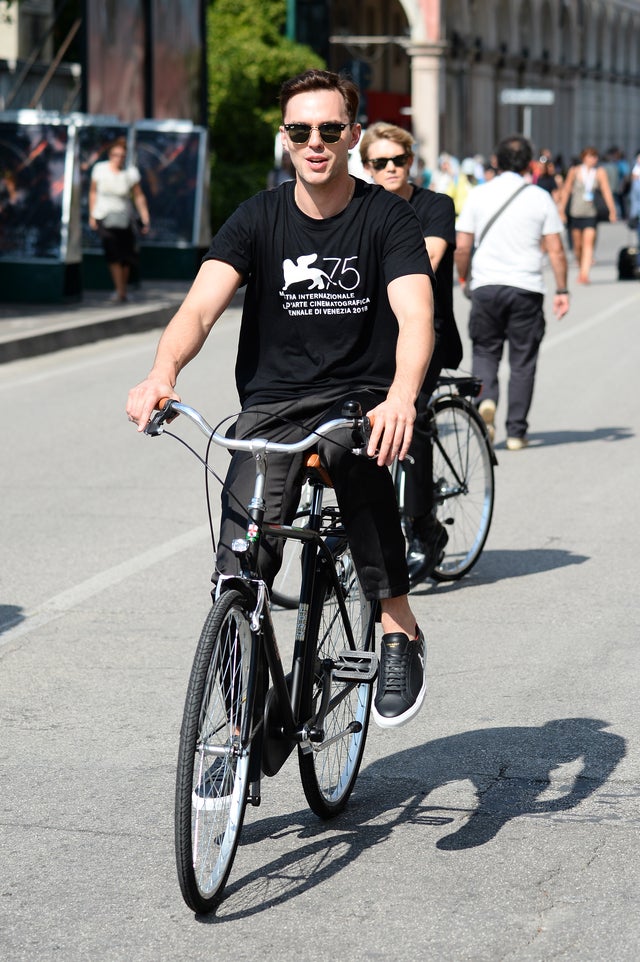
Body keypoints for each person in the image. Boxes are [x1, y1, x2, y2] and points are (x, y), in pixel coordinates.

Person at [127, 69, 435, 729]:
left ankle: (396, 621)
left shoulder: (388, 218)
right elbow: (199, 309)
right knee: (241, 555)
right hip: (272, 404)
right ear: (286, 137)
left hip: (358, 398)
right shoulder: (258, 217)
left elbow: (417, 317)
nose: (316, 142)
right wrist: (163, 372)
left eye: (330, 129)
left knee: (357, 454)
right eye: (301, 130)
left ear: (352, 134)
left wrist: (402, 396)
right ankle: (237, 716)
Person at [359, 121, 462, 585]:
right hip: (372, 329)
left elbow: (429, 259)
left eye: (396, 161)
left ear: (410, 162)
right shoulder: (359, 207)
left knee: (411, 415)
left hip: (426, 328)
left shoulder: (434, 206)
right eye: (378, 163)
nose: (388, 169)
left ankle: (424, 529)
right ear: (365, 166)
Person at [455, 134, 570, 451]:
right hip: (526, 288)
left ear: (495, 161)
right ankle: (517, 432)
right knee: (523, 361)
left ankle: (486, 402)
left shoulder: (479, 195)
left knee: (484, 352)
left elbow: (462, 246)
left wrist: (464, 278)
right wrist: (562, 289)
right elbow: (557, 251)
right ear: (530, 164)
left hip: (487, 287)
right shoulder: (539, 197)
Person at [89, 138, 150, 302]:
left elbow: (138, 196)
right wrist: (92, 214)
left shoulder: (130, 173)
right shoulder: (100, 170)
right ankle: (120, 290)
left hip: (124, 219)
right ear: (110, 155)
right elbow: (93, 192)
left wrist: (145, 217)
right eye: (115, 155)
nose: (118, 158)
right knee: (113, 253)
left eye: (122, 156)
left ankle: (122, 289)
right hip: (104, 216)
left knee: (126, 257)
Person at [559, 146, 616, 285]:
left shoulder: (599, 172)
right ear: (584, 158)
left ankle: (584, 274)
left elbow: (606, 191)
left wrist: (612, 210)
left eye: (595, 157)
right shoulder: (574, 171)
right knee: (577, 246)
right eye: (591, 156)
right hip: (576, 212)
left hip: (591, 213)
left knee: (588, 243)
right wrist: (561, 210)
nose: (593, 159)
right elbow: (566, 190)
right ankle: (580, 265)